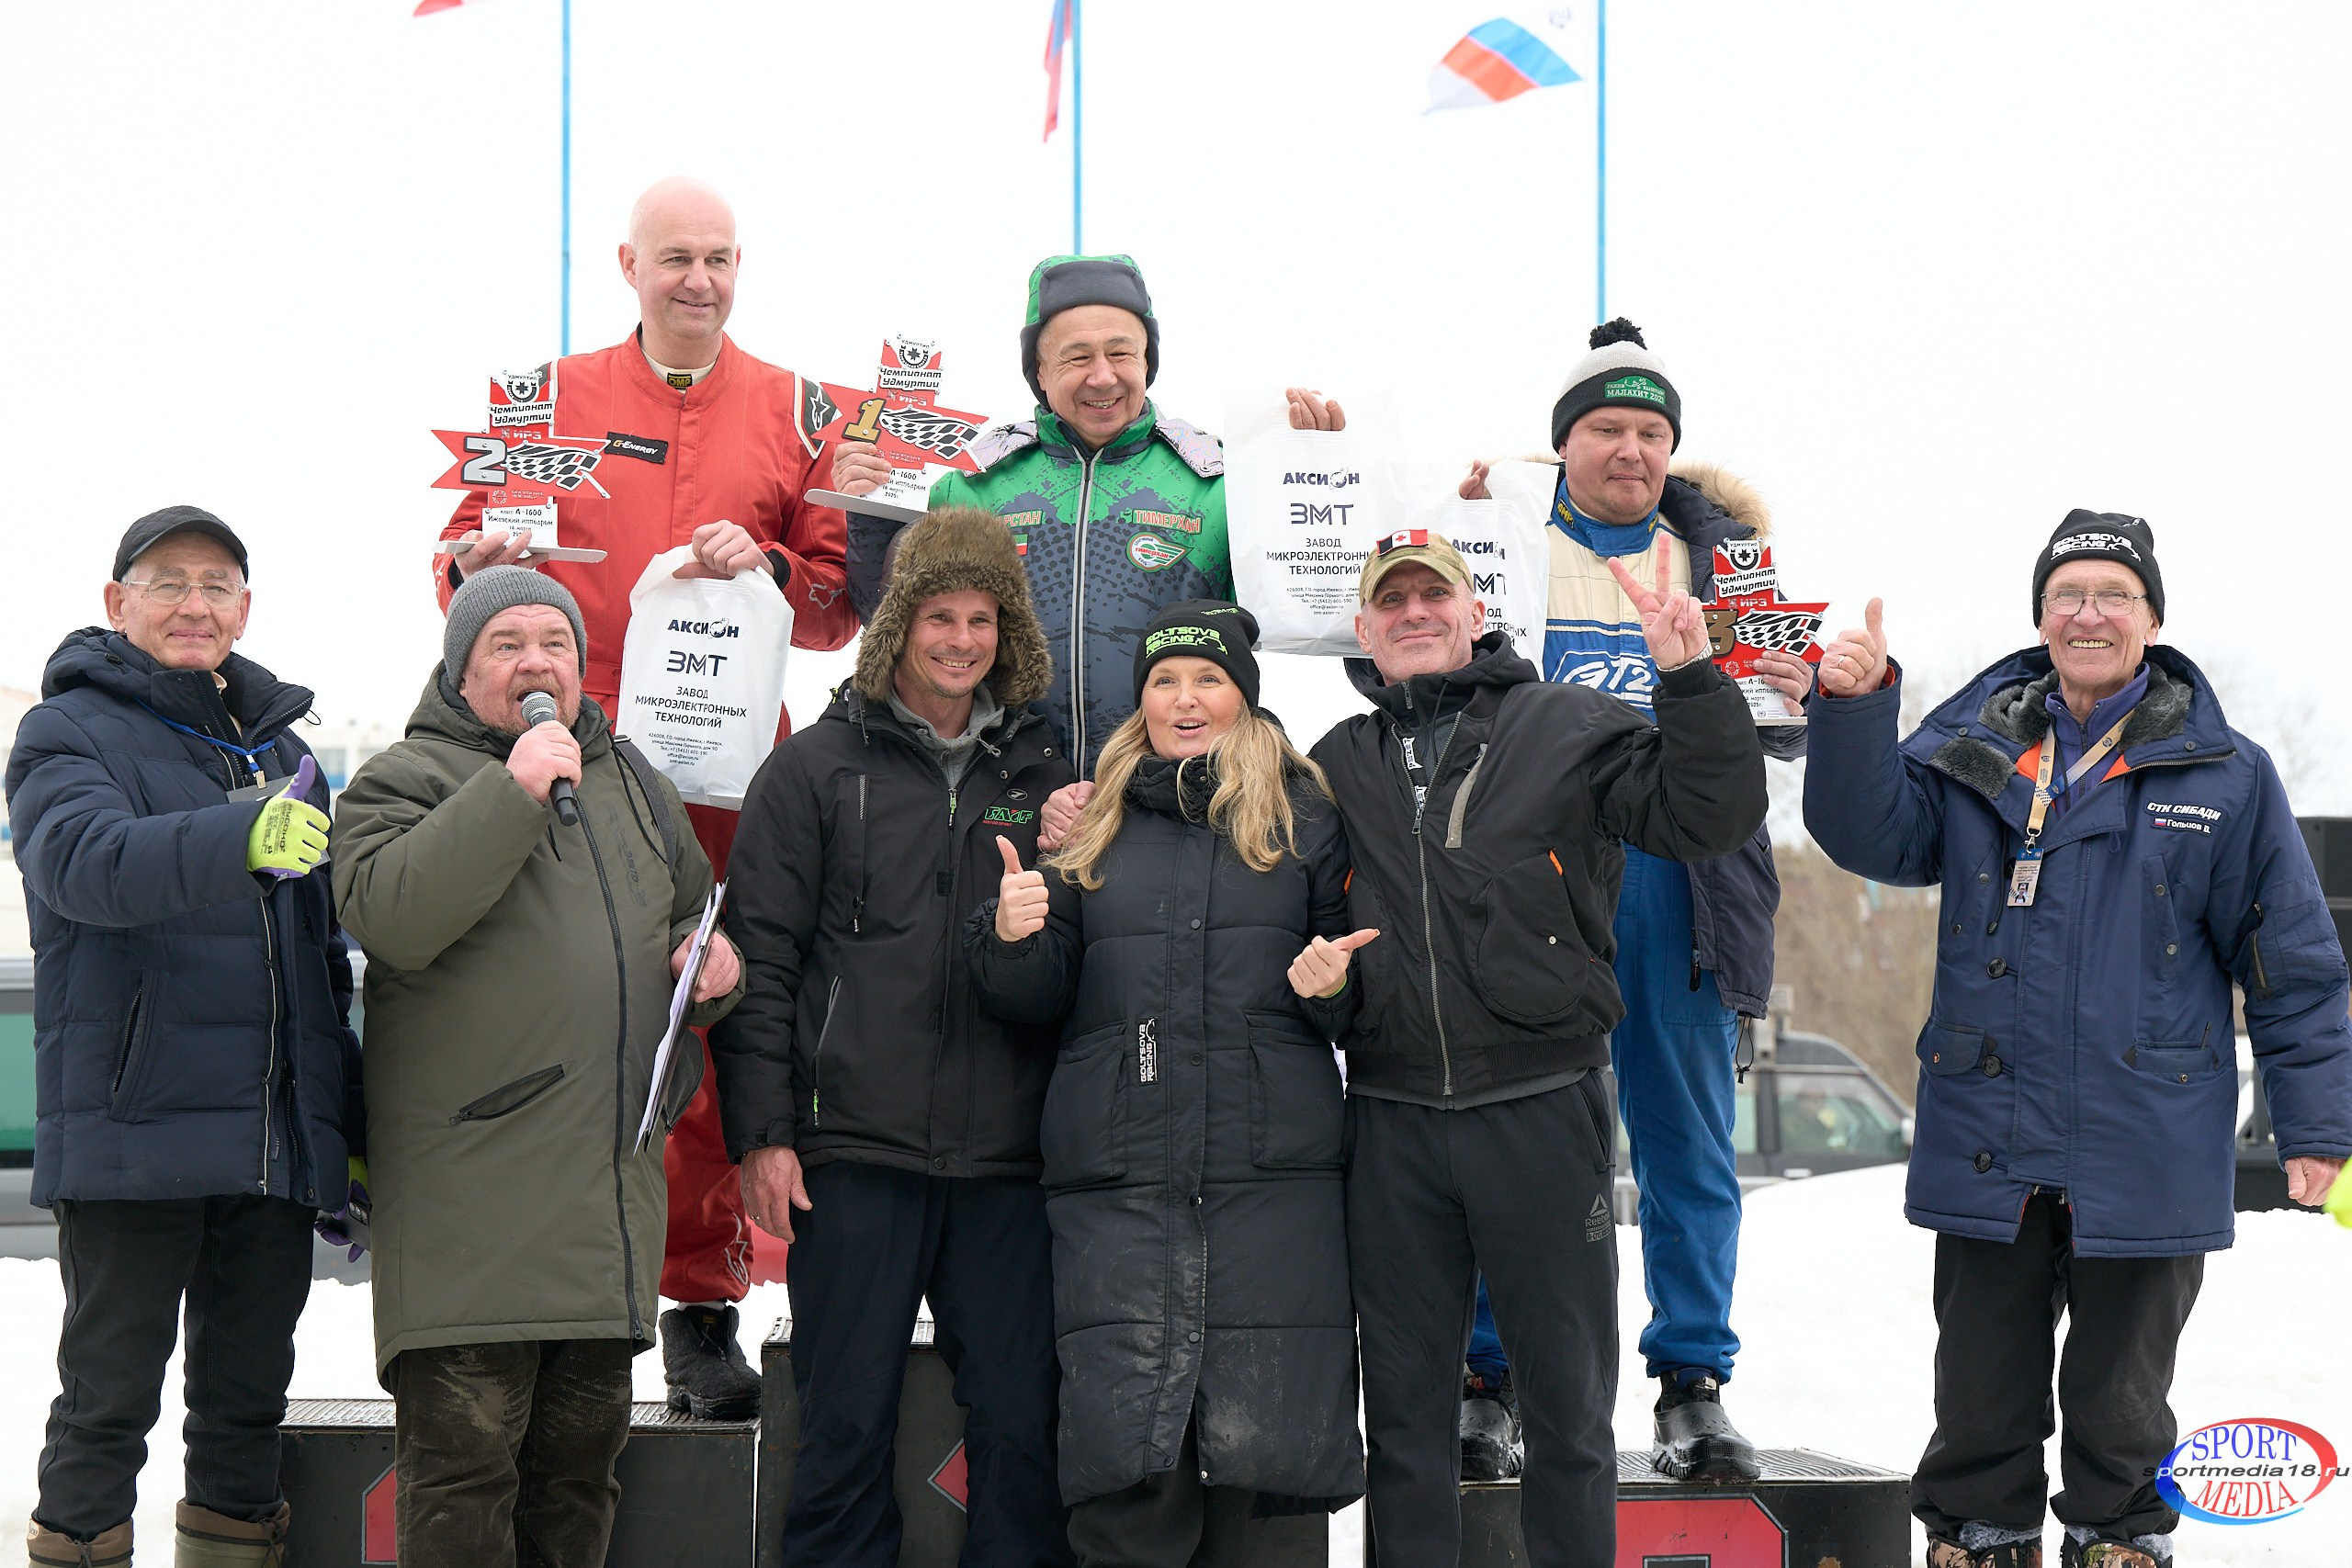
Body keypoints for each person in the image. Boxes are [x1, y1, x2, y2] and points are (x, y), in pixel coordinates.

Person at [1803, 513, 2352, 1568]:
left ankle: (2119, 1542)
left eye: (2112, 594)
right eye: (2067, 595)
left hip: (2145, 1133)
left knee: (2121, 1392)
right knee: (1977, 1384)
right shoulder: (1973, 748)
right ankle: (1976, 1538)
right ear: (2040, 616)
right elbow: (1866, 832)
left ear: (2152, 619)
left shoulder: (2227, 775)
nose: (2087, 614)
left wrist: (2313, 1124)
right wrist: (1857, 707)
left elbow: (2290, 965)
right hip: (1987, 1127)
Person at [436, 175, 858, 1415]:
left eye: (721, 257)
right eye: (676, 256)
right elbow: (460, 577)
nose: (700, 280)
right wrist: (473, 559)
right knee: (560, 1022)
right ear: (627, 264)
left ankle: (701, 1302)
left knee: (717, 1018)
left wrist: (773, 560)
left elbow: (836, 604)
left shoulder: (798, 408)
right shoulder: (545, 399)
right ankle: (551, 1295)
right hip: (574, 762)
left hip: (734, 776)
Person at [1310, 530, 1767, 1568]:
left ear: (1478, 615)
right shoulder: (1336, 760)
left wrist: (1690, 677)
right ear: (1367, 633)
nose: (1416, 612)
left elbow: (1709, 812)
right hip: (1391, 1124)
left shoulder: (1569, 723)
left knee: (1568, 1422)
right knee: (1410, 1432)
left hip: (1540, 1106)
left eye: (1438, 595)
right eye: (1394, 602)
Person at [332, 569, 744, 1568]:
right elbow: (392, 914)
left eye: (553, 643)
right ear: (461, 666)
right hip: (472, 1209)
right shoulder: (405, 778)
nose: (535, 663)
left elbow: (695, 914)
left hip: (602, 1209)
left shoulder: (634, 781)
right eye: (506, 644)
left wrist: (715, 968)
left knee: (576, 1478)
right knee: (463, 1478)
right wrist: (512, 789)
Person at [1456, 319, 1810, 1482]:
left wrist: (1804, 690)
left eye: (1652, 431)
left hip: (1682, 879)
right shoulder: (1495, 542)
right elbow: (1388, 653)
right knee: (1517, 1140)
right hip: (1537, 875)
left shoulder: (1715, 561)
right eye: (1606, 427)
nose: (1631, 449)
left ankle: (1692, 1381)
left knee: (1684, 1136)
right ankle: (1489, 1380)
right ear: (1562, 444)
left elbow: (1780, 730)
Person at [966, 601, 1366, 1566]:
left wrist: (1333, 990)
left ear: (1244, 694)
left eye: (1207, 680)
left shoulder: (1306, 815)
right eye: (1163, 683)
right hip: (1121, 1189)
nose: (1185, 701)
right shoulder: (1090, 822)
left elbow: (1356, 1001)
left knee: (1259, 1476)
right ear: (1139, 701)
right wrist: (1013, 938)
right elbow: (1035, 999)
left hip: (1271, 1189)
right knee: (1128, 1474)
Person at [711, 506, 1076, 1566]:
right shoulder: (814, 771)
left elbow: (1076, 972)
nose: (960, 640)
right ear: (896, 627)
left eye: (981, 619)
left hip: (1008, 1161)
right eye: (937, 616)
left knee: (1020, 1428)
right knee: (842, 1427)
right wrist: (764, 1134)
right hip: (854, 1155)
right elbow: (761, 965)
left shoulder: (1047, 780)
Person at [6, 506, 359, 1568]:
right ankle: (79, 1546)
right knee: (108, 1403)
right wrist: (237, 835)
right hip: (135, 1130)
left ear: (244, 610)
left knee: (248, 1410)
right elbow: (84, 864)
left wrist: (340, 1122)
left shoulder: (283, 746)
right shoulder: (65, 731)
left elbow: (318, 958)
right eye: (167, 583)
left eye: (217, 585)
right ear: (117, 605)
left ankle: (232, 1546)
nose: (194, 604)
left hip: (267, 1145)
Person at [832, 253, 1343, 776]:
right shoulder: (970, 487)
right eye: (1077, 358)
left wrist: (1317, 475)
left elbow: (1317, 615)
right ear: (1039, 371)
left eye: (1122, 353)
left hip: (1172, 798)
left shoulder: (1220, 484)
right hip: (1008, 793)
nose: (1103, 378)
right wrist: (872, 510)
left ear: (1148, 360)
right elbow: (890, 629)